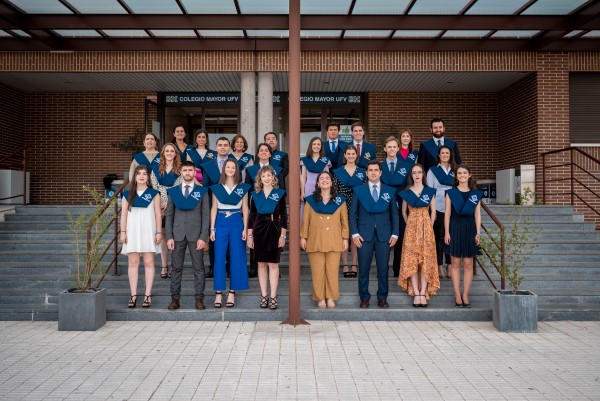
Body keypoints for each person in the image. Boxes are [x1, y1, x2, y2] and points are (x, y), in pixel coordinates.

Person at [349, 160, 399, 309]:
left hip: (384, 235)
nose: (373, 172)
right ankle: (364, 298)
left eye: (376, 170)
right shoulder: (359, 190)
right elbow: (352, 214)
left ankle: (382, 298)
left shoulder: (389, 191)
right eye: (370, 170)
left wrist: (395, 234)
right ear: (366, 173)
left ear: (380, 172)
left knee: (383, 269)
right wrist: (355, 234)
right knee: (363, 268)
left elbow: (394, 214)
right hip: (364, 235)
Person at [165, 161, 210, 311]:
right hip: (177, 235)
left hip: (196, 235)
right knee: (176, 268)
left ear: (194, 172)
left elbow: (206, 216)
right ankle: (175, 299)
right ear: (181, 172)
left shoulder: (202, 191)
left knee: (199, 268)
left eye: (190, 170)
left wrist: (203, 237)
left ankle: (199, 299)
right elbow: (169, 215)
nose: (188, 173)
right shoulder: (173, 191)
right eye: (185, 170)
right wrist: (169, 236)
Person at [301, 172, 349, 309]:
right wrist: (303, 236)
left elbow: (344, 221)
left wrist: (345, 238)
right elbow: (306, 220)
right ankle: (320, 297)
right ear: (317, 183)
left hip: (334, 239)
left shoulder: (340, 200)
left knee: (332, 271)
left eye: (327, 178)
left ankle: (330, 297)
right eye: (321, 178)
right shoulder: (311, 200)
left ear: (332, 182)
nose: (324, 180)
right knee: (317, 271)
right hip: (315, 239)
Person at [210, 159, 250, 308]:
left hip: (236, 222)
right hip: (220, 222)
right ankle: (219, 293)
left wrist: (245, 228)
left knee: (237, 257)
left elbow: (245, 209)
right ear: (224, 169)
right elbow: (213, 208)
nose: (231, 169)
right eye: (228, 167)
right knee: (219, 258)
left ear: (237, 170)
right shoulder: (217, 187)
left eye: (233, 167)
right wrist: (212, 228)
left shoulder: (242, 188)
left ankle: (232, 292)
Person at [398, 164, 440, 307]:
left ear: (423, 174)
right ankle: (416, 292)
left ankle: (423, 292)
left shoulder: (429, 191)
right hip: (411, 230)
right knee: (412, 261)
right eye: (414, 172)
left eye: (419, 172)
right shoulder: (407, 192)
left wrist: (429, 227)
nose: (417, 175)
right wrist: (410, 224)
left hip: (426, 230)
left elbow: (433, 211)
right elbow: (404, 212)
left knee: (425, 262)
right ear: (411, 175)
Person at [120, 165, 162, 308]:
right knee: (133, 263)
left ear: (148, 177)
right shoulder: (127, 194)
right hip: (132, 232)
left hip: (148, 231)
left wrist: (158, 232)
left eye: (145, 174)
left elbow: (157, 214)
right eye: (139, 173)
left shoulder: (154, 194)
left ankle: (147, 295)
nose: (142, 176)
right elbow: (124, 214)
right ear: (135, 177)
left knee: (149, 263)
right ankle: (133, 295)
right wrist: (123, 232)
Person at [247, 166, 287, 310]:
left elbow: (284, 216)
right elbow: (252, 217)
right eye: (263, 176)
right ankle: (264, 295)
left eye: (269, 175)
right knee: (261, 264)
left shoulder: (280, 193)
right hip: (259, 230)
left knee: (273, 264)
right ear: (260, 178)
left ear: (273, 177)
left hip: (274, 229)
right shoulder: (255, 194)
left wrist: (283, 235)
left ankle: (274, 297)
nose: (266, 178)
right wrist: (250, 236)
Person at [444, 164, 482, 308]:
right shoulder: (450, 193)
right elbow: (447, 214)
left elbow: (477, 215)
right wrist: (447, 232)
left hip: (469, 228)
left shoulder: (475, 194)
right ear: (456, 176)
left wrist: (478, 233)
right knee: (455, 263)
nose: (462, 175)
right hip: (454, 228)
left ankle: (465, 294)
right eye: (459, 173)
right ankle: (457, 295)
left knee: (468, 264)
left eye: (464, 173)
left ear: (469, 175)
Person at [244, 143, 283, 278]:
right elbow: (248, 189)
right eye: (261, 150)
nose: (264, 152)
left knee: (273, 262)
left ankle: (273, 274)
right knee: (259, 259)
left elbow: (283, 213)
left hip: (273, 222)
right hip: (259, 212)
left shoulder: (277, 170)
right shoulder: (251, 170)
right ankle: (253, 269)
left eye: (266, 150)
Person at [201, 137, 233, 278]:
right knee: (213, 238)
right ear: (216, 147)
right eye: (220, 145)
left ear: (229, 147)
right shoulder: (208, 165)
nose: (222, 147)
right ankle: (213, 267)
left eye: (225, 145)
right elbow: (205, 186)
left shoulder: (234, 164)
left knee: (230, 239)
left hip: (232, 206)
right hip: (213, 206)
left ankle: (228, 267)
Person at [332, 144, 365, 278]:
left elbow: (366, 190)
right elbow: (334, 190)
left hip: (358, 206)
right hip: (342, 205)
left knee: (355, 237)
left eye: (353, 154)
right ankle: (345, 264)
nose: (351, 156)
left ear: (356, 155)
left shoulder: (363, 171)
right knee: (344, 236)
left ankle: (354, 264)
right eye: (348, 154)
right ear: (344, 156)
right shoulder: (338, 172)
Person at [390, 129, 419, 277]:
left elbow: (411, 179)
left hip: (404, 198)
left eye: (408, 136)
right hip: (389, 200)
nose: (405, 138)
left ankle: (401, 268)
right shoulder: (386, 164)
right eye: (403, 136)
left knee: (401, 236)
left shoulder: (411, 157)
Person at [150, 143, 182, 279]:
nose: (169, 153)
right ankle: (164, 266)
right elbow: (153, 185)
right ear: (163, 153)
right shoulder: (156, 168)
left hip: (175, 203)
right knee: (163, 235)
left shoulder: (180, 169)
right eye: (167, 151)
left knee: (174, 235)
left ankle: (175, 266)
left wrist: (167, 203)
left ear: (175, 153)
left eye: (172, 151)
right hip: (158, 203)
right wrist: (159, 204)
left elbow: (178, 186)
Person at [427, 145, 457, 279]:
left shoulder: (455, 170)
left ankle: (450, 265)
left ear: (450, 155)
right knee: (439, 237)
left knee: (451, 236)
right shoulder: (433, 171)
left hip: (453, 207)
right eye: (442, 153)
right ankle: (439, 265)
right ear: (439, 155)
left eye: (447, 153)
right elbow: (430, 190)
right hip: (438, 206)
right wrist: (432, 210)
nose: (445, 155)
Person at [300, 137, 330, 218]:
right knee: (308, 211)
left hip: (322, 188)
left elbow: (328, 177)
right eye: (314, 144)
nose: (316, 146)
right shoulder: (305, 160)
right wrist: (302, 192)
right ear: (311, 146)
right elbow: (303, 178)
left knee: (321, 209)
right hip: (309, 188)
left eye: (318, 144)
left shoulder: (325, 160)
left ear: (321, 147)